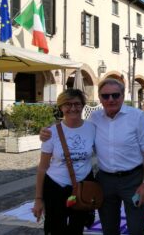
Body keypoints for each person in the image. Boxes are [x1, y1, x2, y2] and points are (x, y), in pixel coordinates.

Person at [41, 79, 144, 235]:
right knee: (108, 228)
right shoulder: (94, 118)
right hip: (105, 181)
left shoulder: (137, 116)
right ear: (100, 98)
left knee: (136, 228)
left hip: (133, 180)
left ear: (123, 95)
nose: (111, 100)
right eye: (105, 96)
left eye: (115, 95)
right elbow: (74, 127)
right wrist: (47, 132)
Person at [33, 89, 96, 234]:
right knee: (56, 229)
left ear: (83, 106)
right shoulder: (51, 132)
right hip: (56, 187)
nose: (73, 108)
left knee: (77, 228)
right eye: (67, 104)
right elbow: (42, 167)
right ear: (61, 107)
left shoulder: (92, 128)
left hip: (82, 187)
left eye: (77, 104)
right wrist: (38, 199)